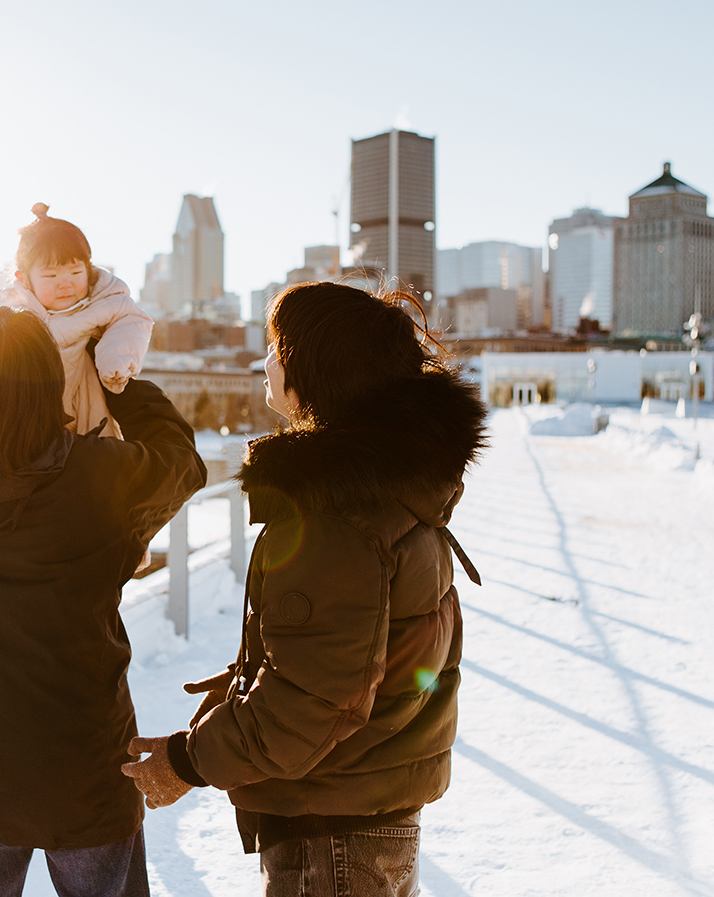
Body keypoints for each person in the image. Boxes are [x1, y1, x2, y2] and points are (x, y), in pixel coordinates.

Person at [122, 282, 487, 897]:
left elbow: (317, 700)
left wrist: (186, 760)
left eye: (275, 348)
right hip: (368, 811)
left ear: (314, 371)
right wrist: (258, 671)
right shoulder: (391, 488)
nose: (263, 363)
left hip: (334, 836)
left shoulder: (334, 512)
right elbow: (364, 655)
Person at [0, 306, 205, 897]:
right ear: (44, 392)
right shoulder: (94, 479)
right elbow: (181, 462)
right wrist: (118, 379)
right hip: (78, 761)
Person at [0, 203, 154, 437]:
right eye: (51, 275)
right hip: (21, 413)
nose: (65, 284)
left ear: (89, 270)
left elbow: (131, 321)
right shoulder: (6, 309)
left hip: (85, 403)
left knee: (93, 460)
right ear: (24, 279)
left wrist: (115, 360)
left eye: (76, 272)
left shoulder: (104, 300)